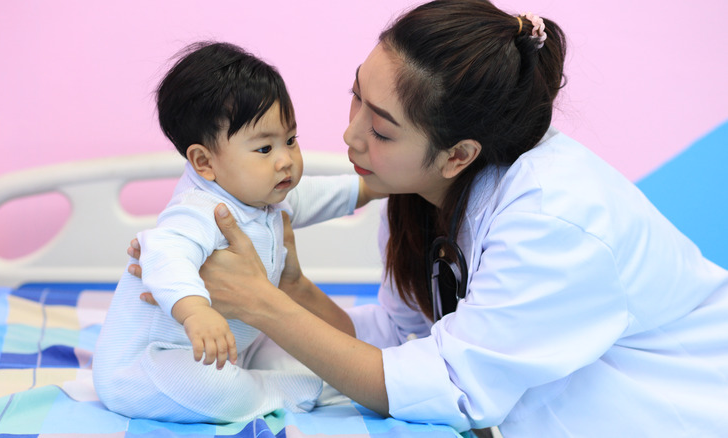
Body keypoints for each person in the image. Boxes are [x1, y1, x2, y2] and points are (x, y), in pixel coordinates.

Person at [130, 1, 728, 436]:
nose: (350, 134)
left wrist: (259, 302)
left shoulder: (556, 221)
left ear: (458, 154)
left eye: (381, 127)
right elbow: (398, 347)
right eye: (356, 95)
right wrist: (293, 287)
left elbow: (454, 390)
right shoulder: (421, 190)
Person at [93, 41, 379, 424]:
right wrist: (195, 313)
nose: (286, 160)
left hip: (234, 345)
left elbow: (317, 194)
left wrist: (372, 188)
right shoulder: (198, 210)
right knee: (216, 389)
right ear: (204, 161)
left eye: (290, 140)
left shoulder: (263, 196)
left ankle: (282, 378)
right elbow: (164, 254)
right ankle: (270, 391)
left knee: (304, 348)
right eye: (264, 148)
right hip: (152, 365)